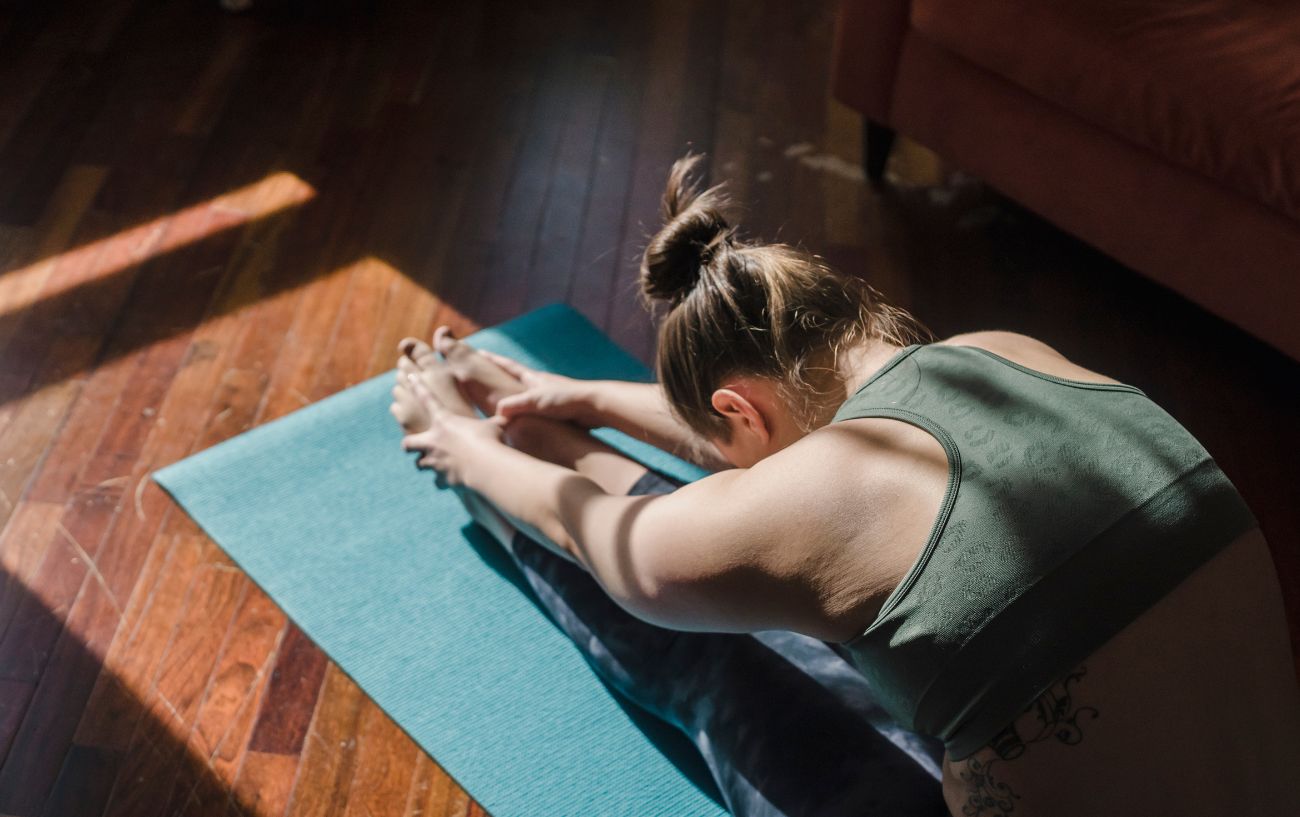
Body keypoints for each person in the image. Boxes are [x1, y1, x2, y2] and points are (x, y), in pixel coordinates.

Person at [391, 153, 1300, 817]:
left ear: (739, 412)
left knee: (723, 656)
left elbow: (619, 548)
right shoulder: (1000, 355)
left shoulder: (829, 497)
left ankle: (524, 466)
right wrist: (590, 399)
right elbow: (797, 450)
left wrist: (460, 445)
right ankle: (557, 434)